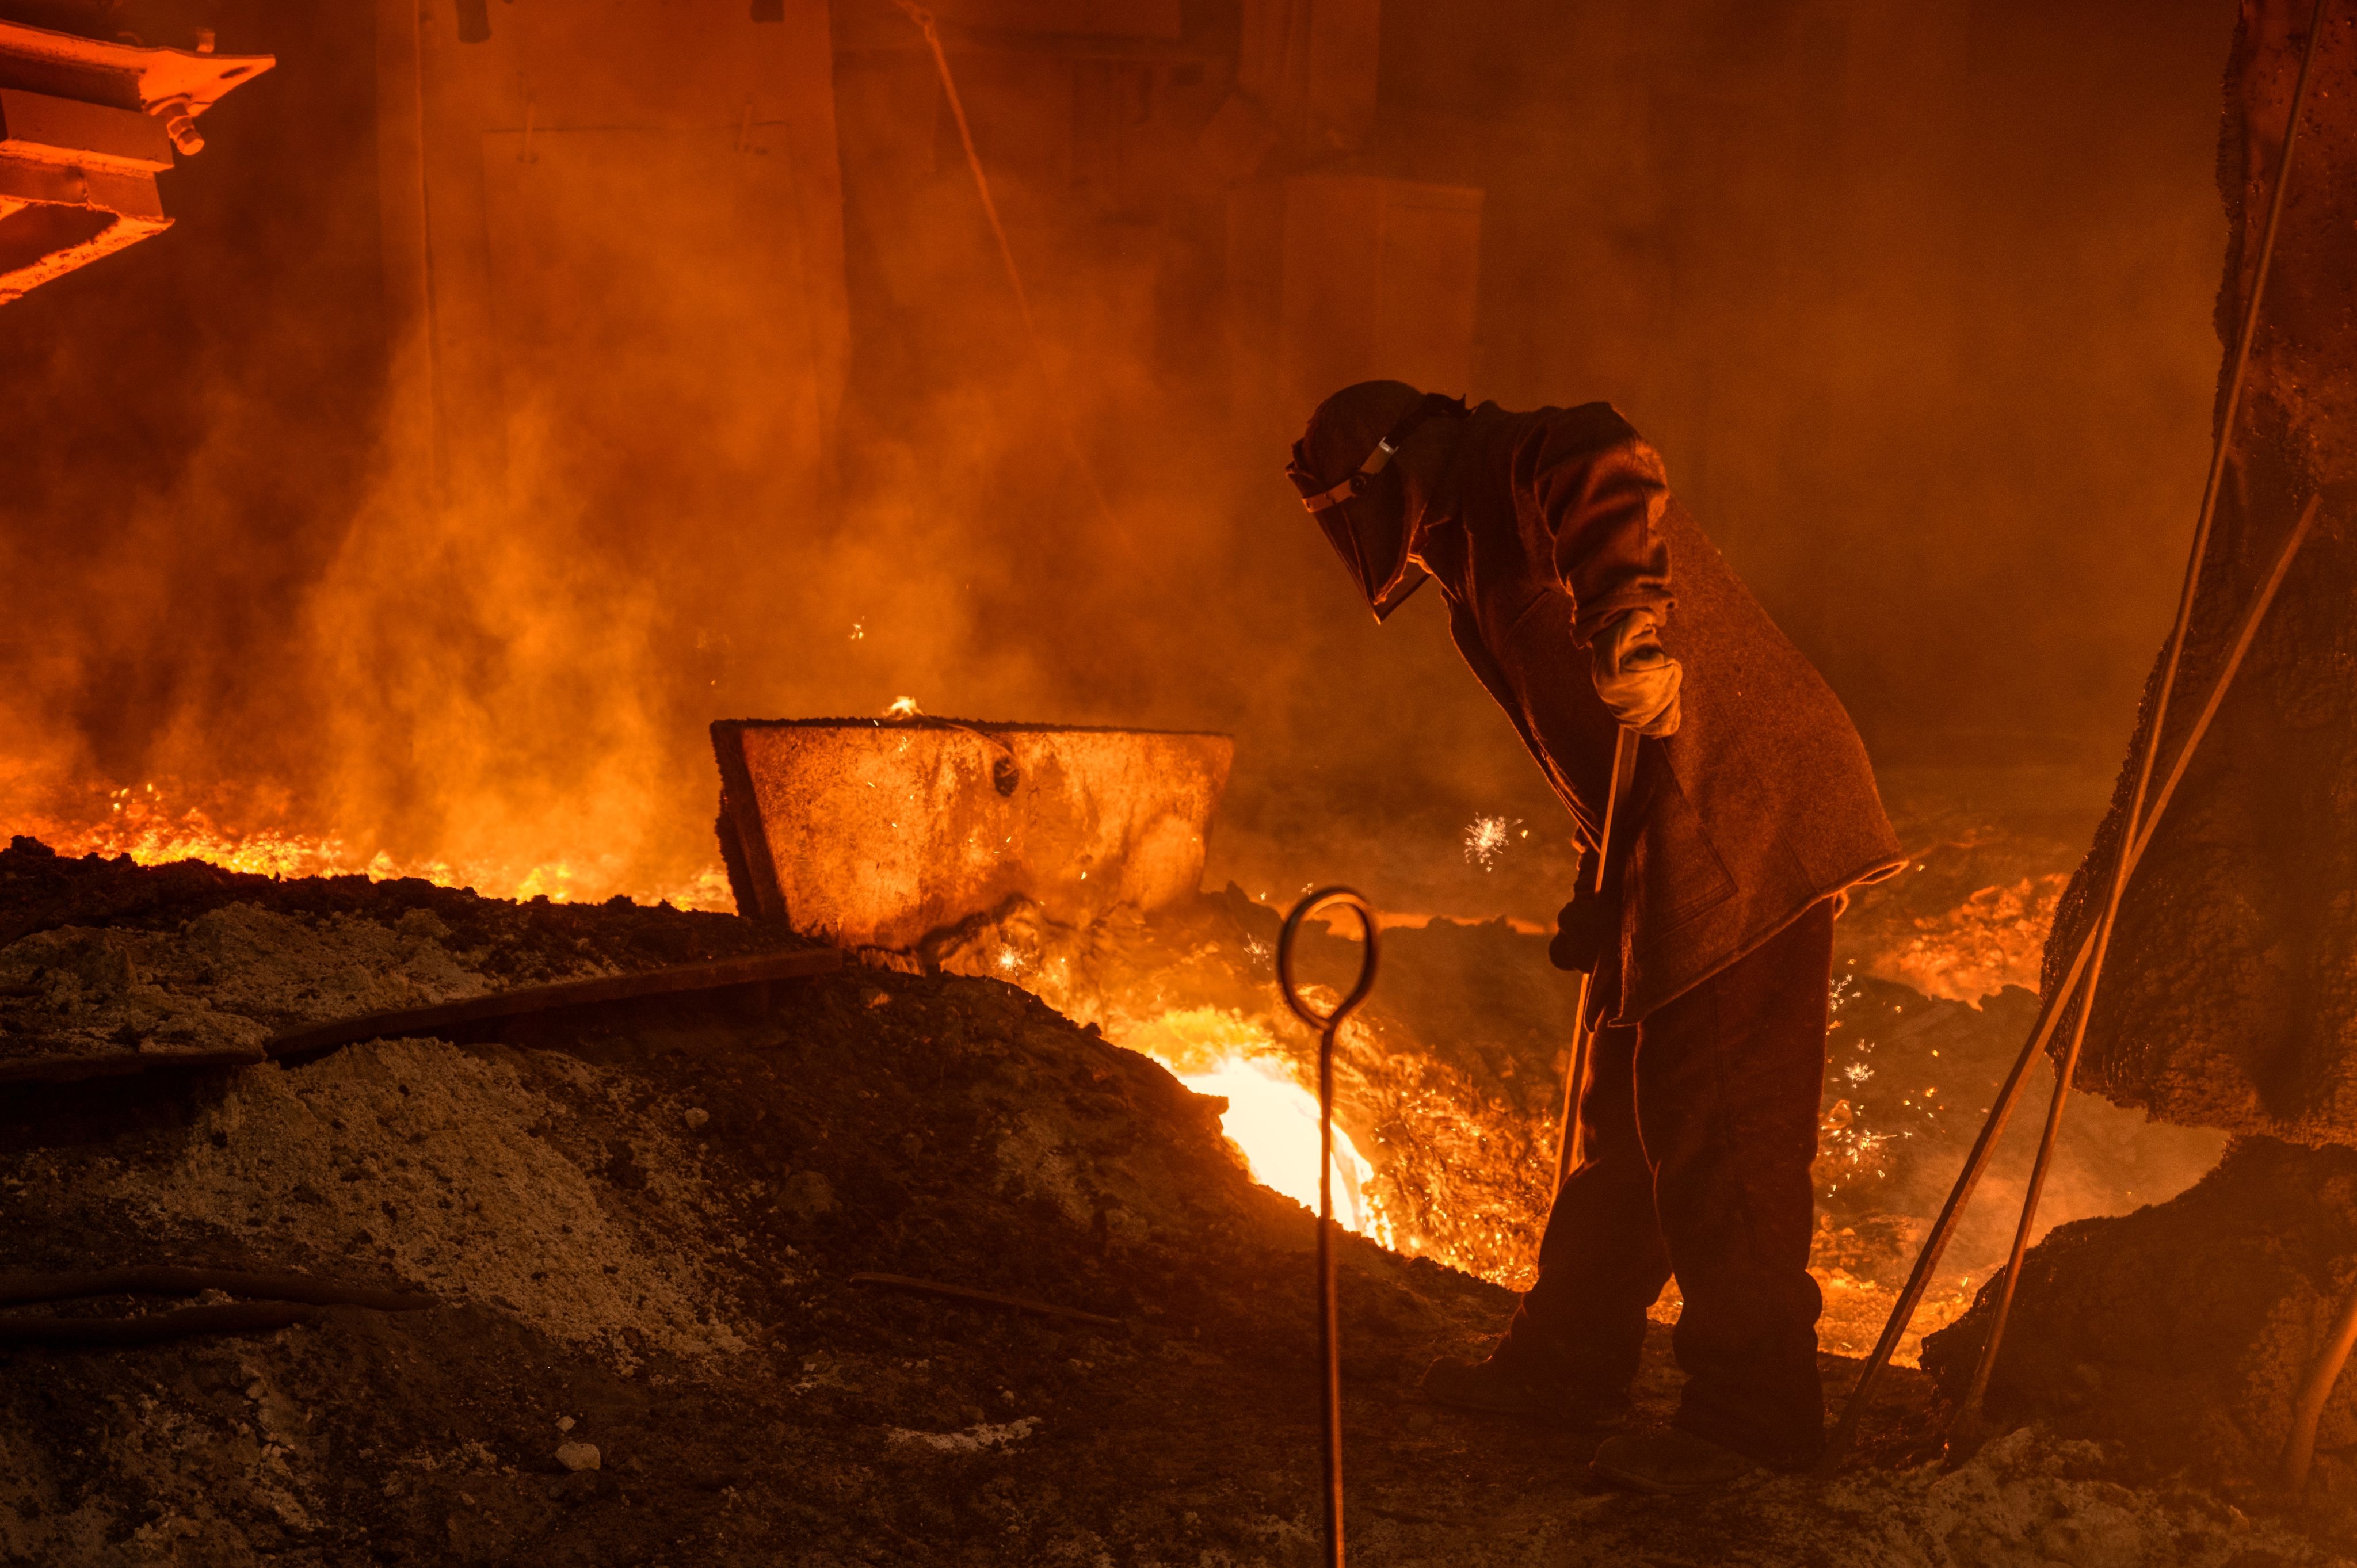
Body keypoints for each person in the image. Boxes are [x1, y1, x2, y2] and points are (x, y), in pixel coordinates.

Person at [1286, 380, 1904, 1493]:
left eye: (1346, 511)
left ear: (1390, 477)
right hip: (1670, 837)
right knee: (1624, 1117)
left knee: (1719, 1119)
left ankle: (1753, 1417)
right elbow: (1593, 756)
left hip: (1741, 819)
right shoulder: (1469, 555)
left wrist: (1626, 615)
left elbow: (1606, 458)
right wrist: (1602, 885)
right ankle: (1568, 1360)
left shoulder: (1508, 466)